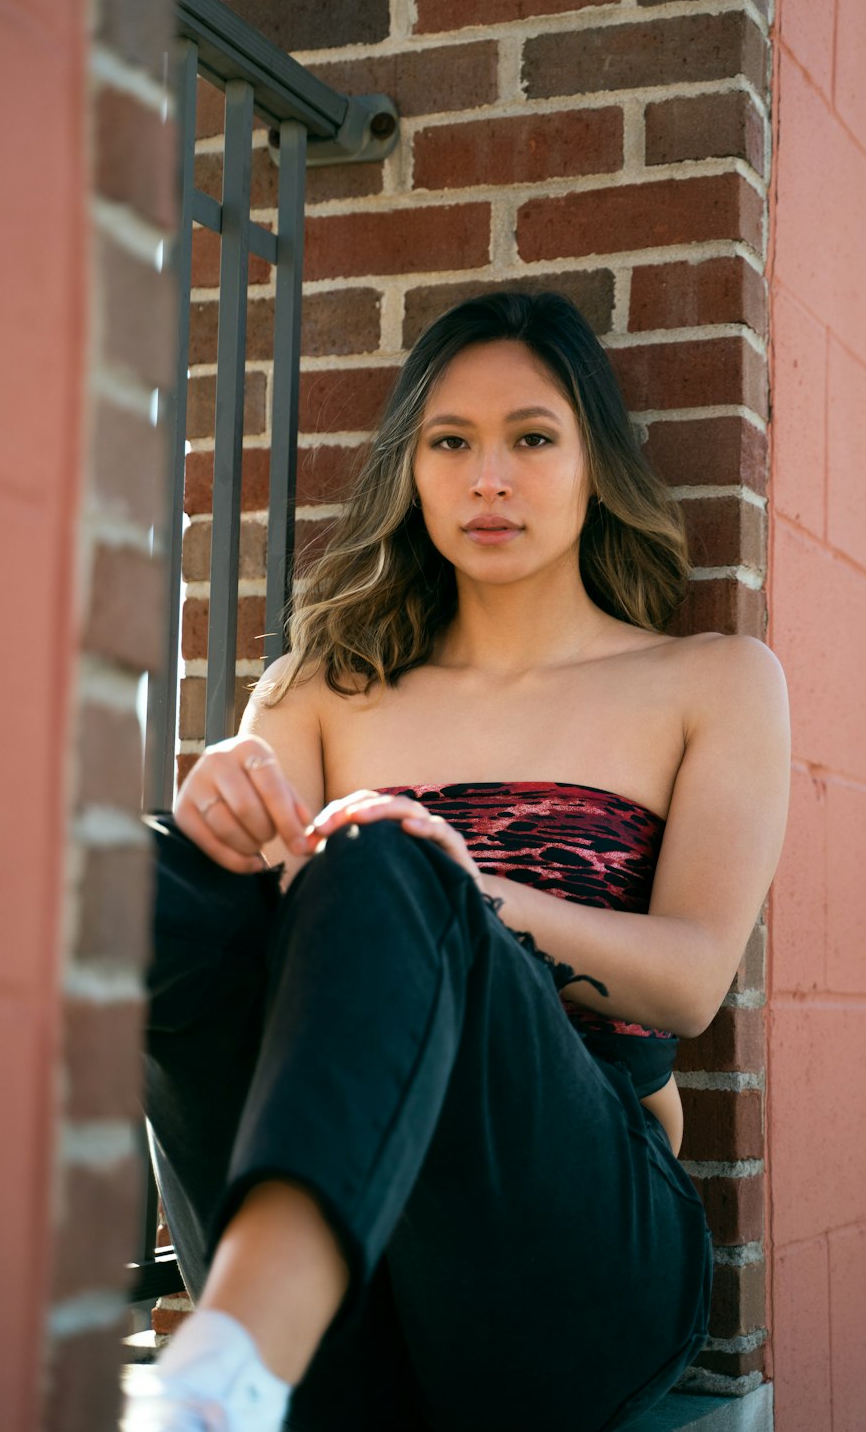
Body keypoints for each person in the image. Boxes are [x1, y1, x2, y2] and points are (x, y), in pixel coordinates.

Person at [131, 291, 790, 1432]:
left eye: (531, 438)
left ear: (594, 467)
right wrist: (217, 824)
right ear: (414, 473)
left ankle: (228, 1366)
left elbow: (688, 978)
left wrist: (456, 888)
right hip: (363, 1294)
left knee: (385, 858)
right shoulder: (316, 684)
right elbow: (212, 921)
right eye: (451, 443)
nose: (489, 477)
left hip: (571, 1273)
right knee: (144, 874)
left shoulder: (710, 681)